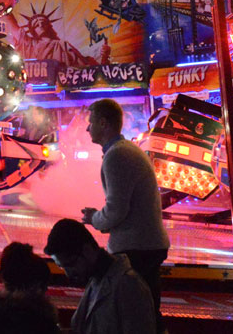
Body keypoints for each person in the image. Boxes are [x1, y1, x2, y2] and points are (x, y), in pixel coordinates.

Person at [79, 98, 168, 330]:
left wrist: (93, 218)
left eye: (91, 123)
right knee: (147, 310)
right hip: (147, 244)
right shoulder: (126, 151)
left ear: (104, 123)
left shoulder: (117, 155)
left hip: (136, 248)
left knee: (137, 315)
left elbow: (116, 210)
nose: (88, 128)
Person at [45, 217, 156, 334]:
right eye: (62, 267)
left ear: (87, 250)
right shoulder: (97, 279)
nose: (68, 273)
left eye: (70, 264)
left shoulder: (129, 285)